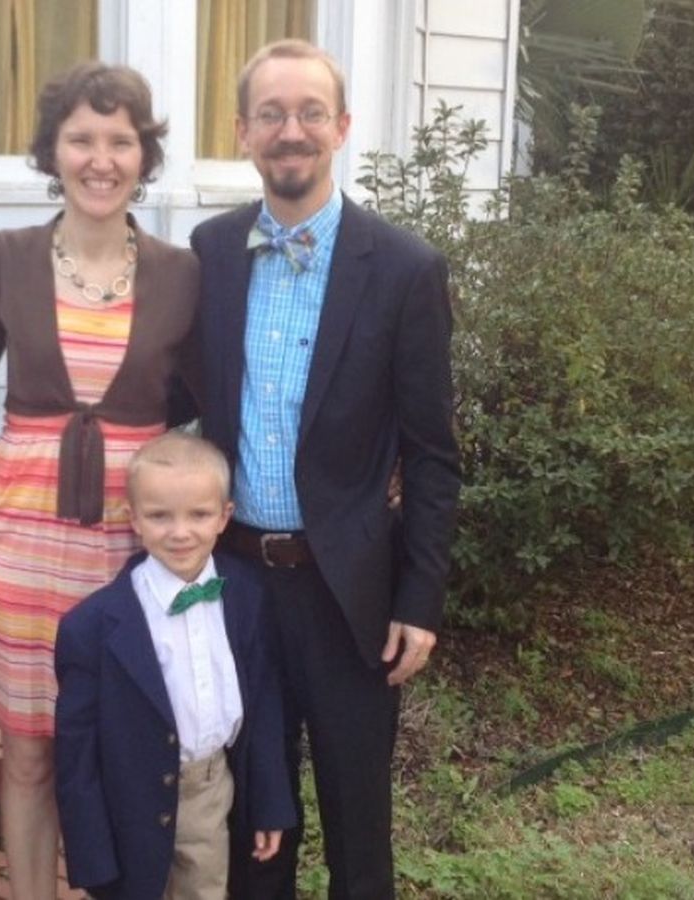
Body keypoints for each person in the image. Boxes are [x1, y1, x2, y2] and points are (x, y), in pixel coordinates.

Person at [188, 39, 461, 900]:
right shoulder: (211, 251)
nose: (291, 130)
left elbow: (433, 454)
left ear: (341, 128)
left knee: (357, 827)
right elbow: (164, 395)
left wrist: (419, 600)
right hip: (236, 583)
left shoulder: (405, 268)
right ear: (243, 131)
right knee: (253, 825)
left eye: (310, 112)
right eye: (271, 113)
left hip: (350, 596)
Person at [0, 62, 200, 899]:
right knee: (29, 752)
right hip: (21, 538)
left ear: (144, 155)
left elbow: (211, 401)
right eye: (82, 139)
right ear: (52, 152)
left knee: (123, 742)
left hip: (133, 542)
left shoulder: (182, 271)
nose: (102, 160)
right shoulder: (8, 256)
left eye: (121, 141)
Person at [54, 431, 296, 900]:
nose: (180, 532)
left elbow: (265, 706)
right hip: (128, 802)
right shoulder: (92, 626)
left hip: (209, 791)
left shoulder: (246, 595)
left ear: (224, 516)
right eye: (160, 515)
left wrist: (270, 803)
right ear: (134, 518)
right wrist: (90, 854)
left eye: (198, 515)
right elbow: (75, 753)